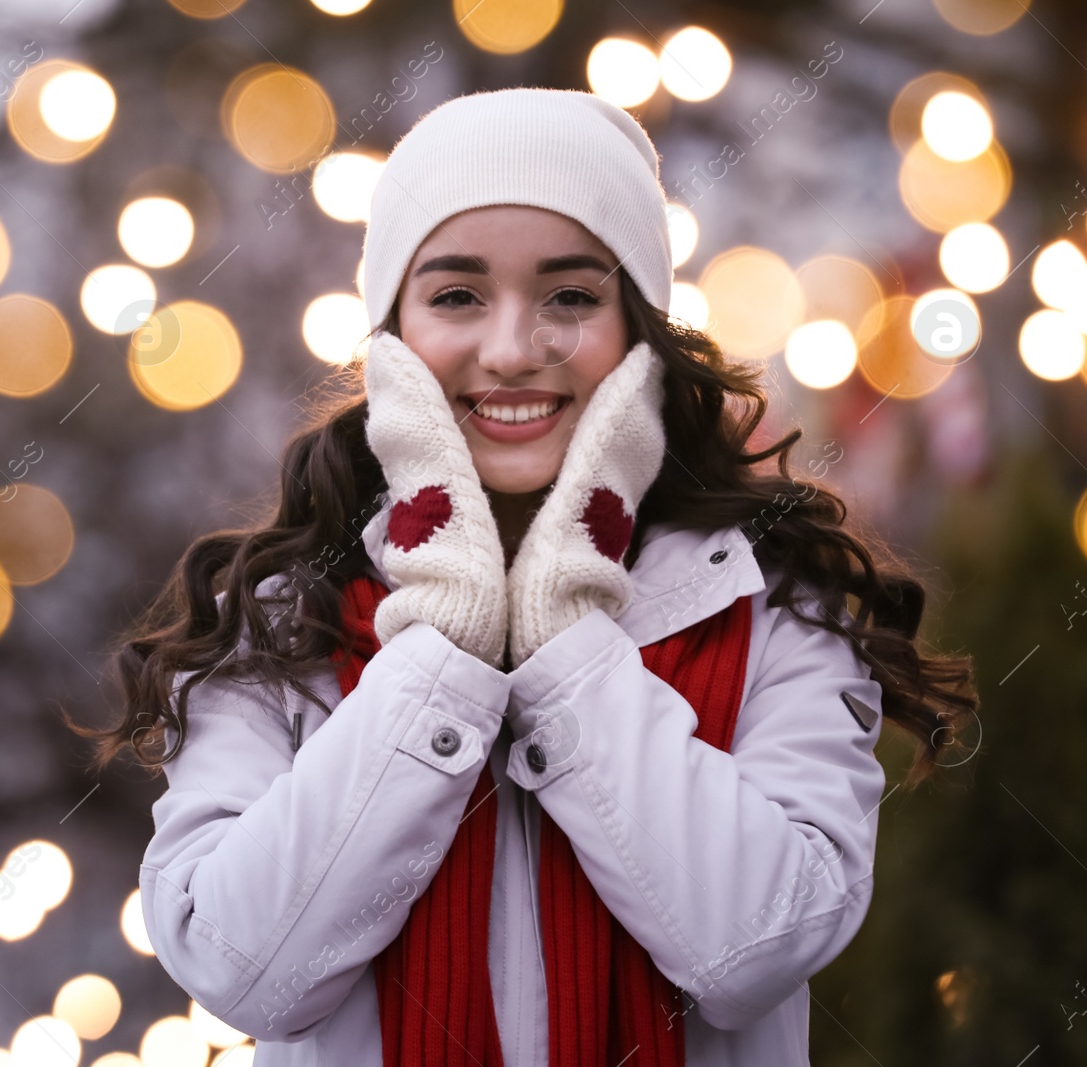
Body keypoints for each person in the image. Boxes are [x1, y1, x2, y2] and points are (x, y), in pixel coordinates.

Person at [79, 87, 979, 1066]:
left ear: (640, 335)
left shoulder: (777, 606)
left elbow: (755, 945)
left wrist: (568, 647)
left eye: (571, 296)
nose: (511, 350)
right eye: (457, 294)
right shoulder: (283, 621)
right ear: (393, 339)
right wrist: (441, 656)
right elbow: (242, 965)